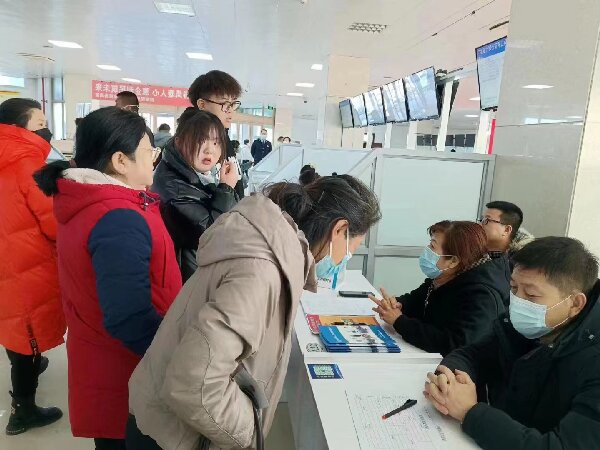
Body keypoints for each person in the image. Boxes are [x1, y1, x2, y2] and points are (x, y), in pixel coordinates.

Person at [126, 175, 381, 450]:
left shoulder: (268, 246)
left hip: (164, 420)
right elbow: (195, 384)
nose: (343, 261)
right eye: (350, 251)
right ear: (339, 229)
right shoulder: (261, 272)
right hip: (172, 436)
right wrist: (250, 432)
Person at [33, 106, 182, 450]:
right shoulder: (118, 218)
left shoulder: (92, 202)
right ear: (120, 161)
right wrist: (175, 357)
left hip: (103, 363)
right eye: (149, 151)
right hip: (128, 374)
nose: (154, 159)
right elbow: (128, 316)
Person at [424, 237, 600, 450]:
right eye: (514, 288)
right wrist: (448, 380)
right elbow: (472, 354)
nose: (518, 302)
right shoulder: (523, 324)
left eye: (531, 295)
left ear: (575, 304)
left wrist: (470, 412)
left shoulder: (592, 360)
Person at [0, 98, 65, 435]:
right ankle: (22, 411)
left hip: (7, 260)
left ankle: (27, 364)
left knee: (13, 323)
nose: (46, 129)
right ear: (18, 128)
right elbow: (53, 223)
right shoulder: (27, 162)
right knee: (28, 332)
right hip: (27, 263)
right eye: (40, 123)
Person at [371, 221, 509, 356]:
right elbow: (417, 300)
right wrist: (397, 304)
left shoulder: (481, 296)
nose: (427, 250)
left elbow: (455, 344)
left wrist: (399, 321)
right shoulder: (443, 277)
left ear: (453, 261)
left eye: (432, 246)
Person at [152, 108, 238, 282]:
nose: (209, 150)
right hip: (189, 281)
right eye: (200, 141)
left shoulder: (192, 173)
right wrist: (226, 188)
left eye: (216, 143)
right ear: (179, 141)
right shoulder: (174, 189)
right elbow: (211, 235)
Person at [187, 70, 245, 199]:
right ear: (202, 104)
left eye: (233, 104)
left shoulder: (223, 136)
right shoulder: (193, 143)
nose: (230, 111)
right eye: (224, 104)